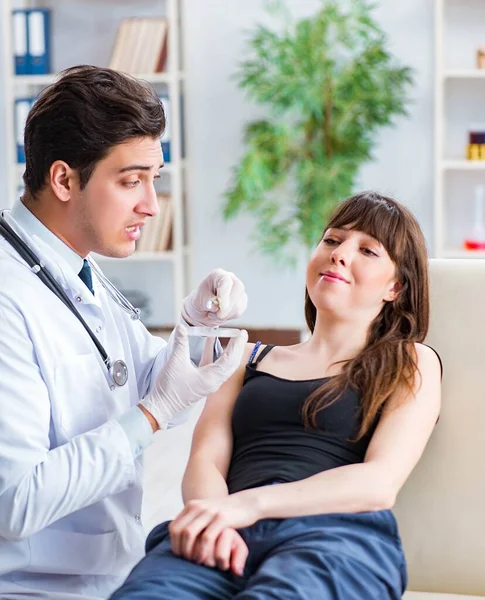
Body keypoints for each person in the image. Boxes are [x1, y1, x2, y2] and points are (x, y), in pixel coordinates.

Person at [110, 191, 442, 600]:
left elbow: (379, 482)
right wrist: (219, 519)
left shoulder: (410, 361)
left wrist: (247, 506)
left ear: (395, 287)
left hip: (334, 538)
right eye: (332, 240)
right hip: (222, 528)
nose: (339, 254)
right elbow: (205, 459)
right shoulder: (246, 357)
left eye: (368, 250)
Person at [0, 65, 249, 600]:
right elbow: (14, 502)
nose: (151, 205)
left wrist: (195, 328)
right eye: (130, 180)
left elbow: (145, 382)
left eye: (153, 179)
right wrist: (152, 413)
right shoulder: (7, 298)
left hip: (110, 573)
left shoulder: (74, 268)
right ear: (64, 179)